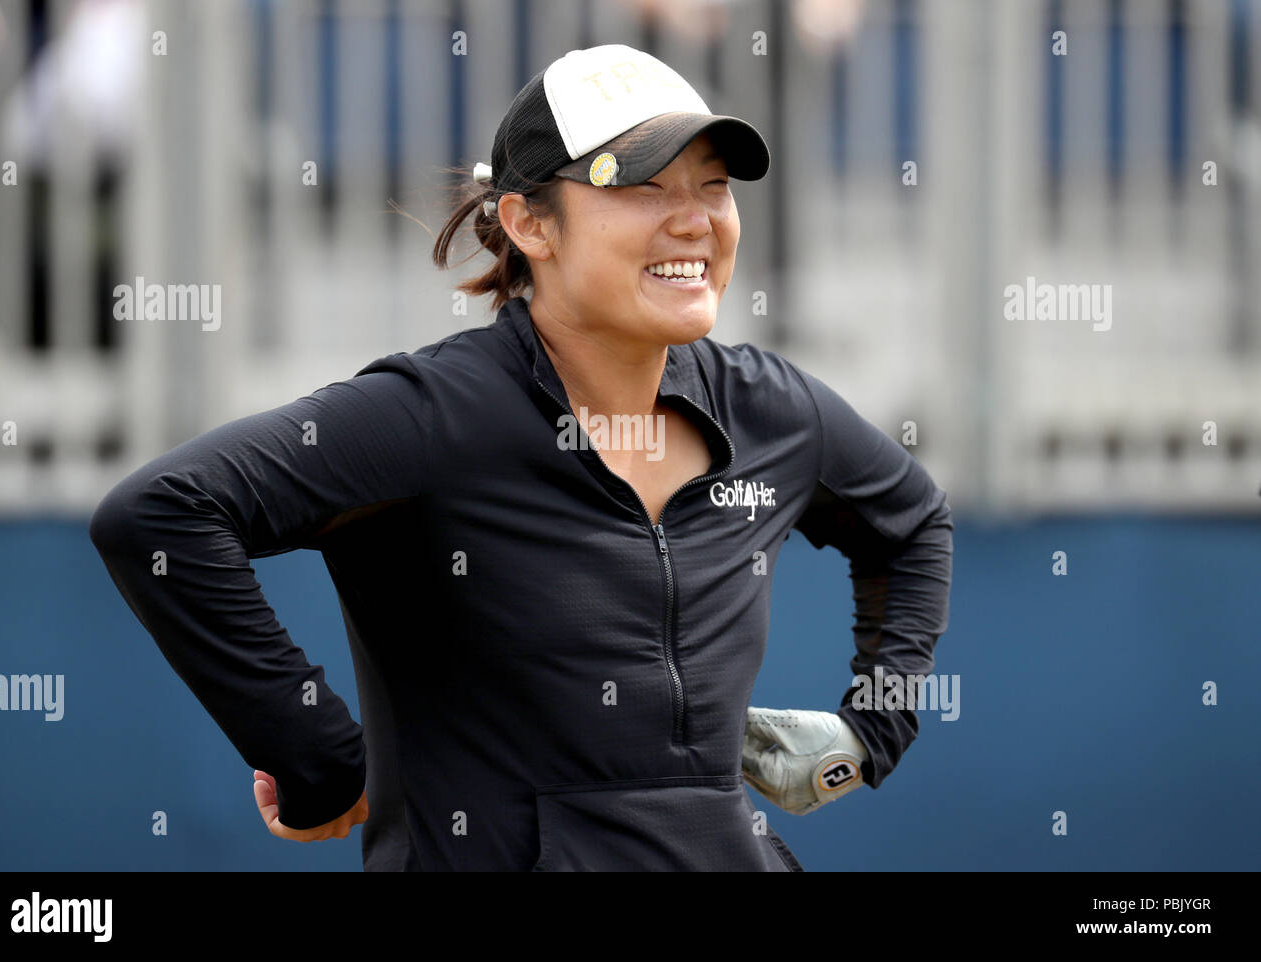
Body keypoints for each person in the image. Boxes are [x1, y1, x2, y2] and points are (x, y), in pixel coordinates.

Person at [89, 43, 953, 871]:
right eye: (643, 186)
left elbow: (912, 523)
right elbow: (160, 513)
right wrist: (321, 759)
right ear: (529, 223)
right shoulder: (433, 416)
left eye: (714, 186)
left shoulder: (772, 409)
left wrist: (871, 730)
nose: (694, 220)